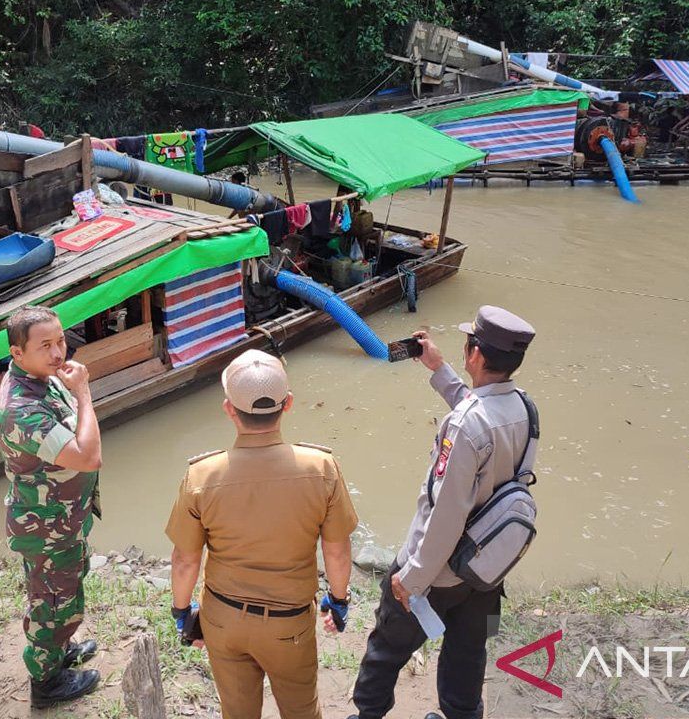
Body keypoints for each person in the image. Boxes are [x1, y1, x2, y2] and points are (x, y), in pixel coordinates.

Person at [350, 306, 538, 719]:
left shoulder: (464, 427)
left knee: (385, 646)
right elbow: (478, 413)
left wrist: (412, 579)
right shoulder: (524, 407)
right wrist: (437, 367)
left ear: (475, 355)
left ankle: (367, 713)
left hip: (437, 570)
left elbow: (447, 515)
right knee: (469, 649)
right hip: (488, 567)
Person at [165, 350, 359, 719]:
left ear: (228, 409)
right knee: (302, 711)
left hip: (223, 619)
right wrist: (338, 600)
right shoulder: (321, 468)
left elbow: (185, 559)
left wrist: (182, 612)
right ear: (288, 405)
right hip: (290, 624)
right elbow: (337, 552)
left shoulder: (202, 476)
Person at [0, 306, 103, 708]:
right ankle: (46, 681)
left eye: (61, 341)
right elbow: (88, 456)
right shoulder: (22, 409)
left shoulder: (40, 376)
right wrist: (84, 393)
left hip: (62, 518)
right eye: (46, 346)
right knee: (52, 603)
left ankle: (60, 650)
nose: (60, 353)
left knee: (64, 590)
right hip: (47, 525)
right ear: (17, 353)